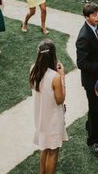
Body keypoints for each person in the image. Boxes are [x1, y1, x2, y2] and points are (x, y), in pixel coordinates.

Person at [30, 39, 68, 174]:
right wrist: (62, 77)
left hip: (40, 117)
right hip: (52, 119)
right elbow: (60, 100)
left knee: (44, 147)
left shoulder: (33, 70)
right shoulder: (55, 77)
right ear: (53, 55)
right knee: (52, 151)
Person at [76, 3, 98, 155]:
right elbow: (81, 63)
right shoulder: (83, 36)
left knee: (96, 107)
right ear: (87, 17)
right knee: (95, 108)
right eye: (94, 15)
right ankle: (93, 139)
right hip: (91, 81)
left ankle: (92, 125)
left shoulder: (95, 26)